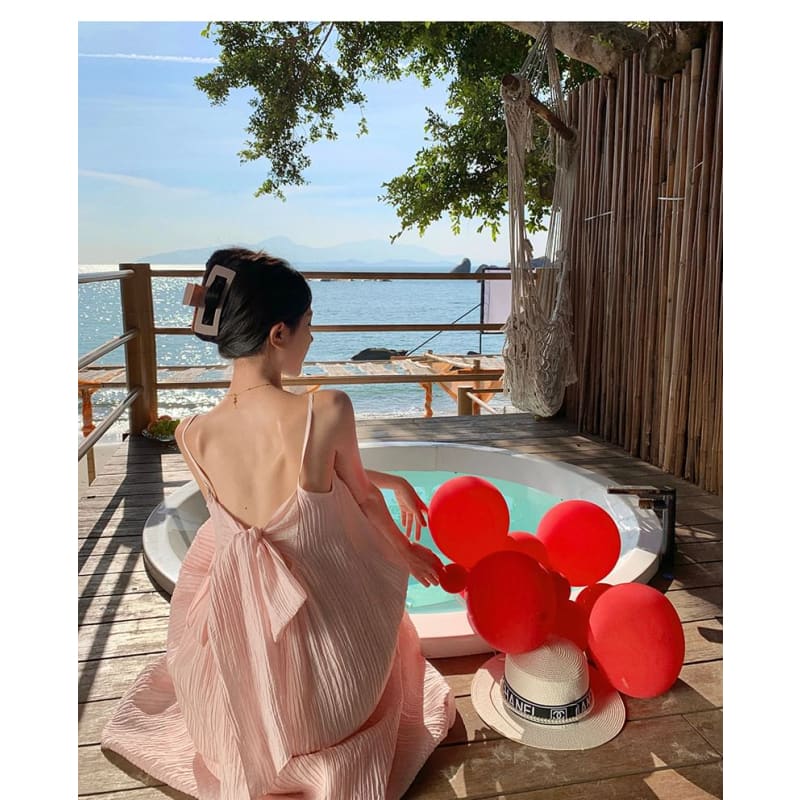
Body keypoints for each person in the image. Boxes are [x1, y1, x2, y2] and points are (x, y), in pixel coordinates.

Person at [100, 248, 456, 799]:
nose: (312, 337)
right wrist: (405, 553)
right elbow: (359, 496)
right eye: (308, 325)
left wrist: (393, 481)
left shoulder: (191, 433)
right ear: (278, 334)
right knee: (380, 605)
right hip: (332, 707)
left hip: (236, 693)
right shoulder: (327, 408)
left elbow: (294, 472)